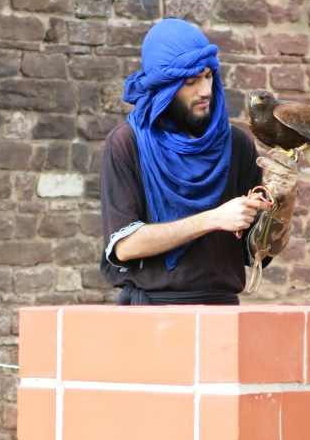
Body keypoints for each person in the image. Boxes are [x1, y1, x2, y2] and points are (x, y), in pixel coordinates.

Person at [100, 18, 298, 305]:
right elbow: (125, 246)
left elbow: (259, 252)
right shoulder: (126, 143)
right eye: (191, 81)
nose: (205, 90)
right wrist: (214, 218)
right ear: (164, 88)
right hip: (150, 312)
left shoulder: (237, 144)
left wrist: (284, 204)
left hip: (222, 311)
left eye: (207, 76)